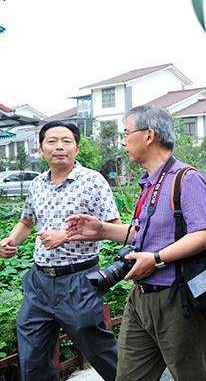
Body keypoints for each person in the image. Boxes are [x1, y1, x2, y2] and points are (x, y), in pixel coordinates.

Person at [66, 105, 206, 381]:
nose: (123, 141)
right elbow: (143, 235)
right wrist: (101, 229)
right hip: (140, 299)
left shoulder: (186, 179)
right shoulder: (149, 184)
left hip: (177, 299)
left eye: (126, 133)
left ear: (149, 135)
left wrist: (157, 258)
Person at [0, 121, 119, 381]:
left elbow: (114, 227)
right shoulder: (37, 184)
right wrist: (11, 241)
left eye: (66, 141)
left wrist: (65, 236)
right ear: (41, 148)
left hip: (79, 281)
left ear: (76, 147)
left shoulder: (92, 181)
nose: (59, 147)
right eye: (52, 141)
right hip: (39, 282)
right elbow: (26, 221)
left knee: (100, 350)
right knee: (32, 356)